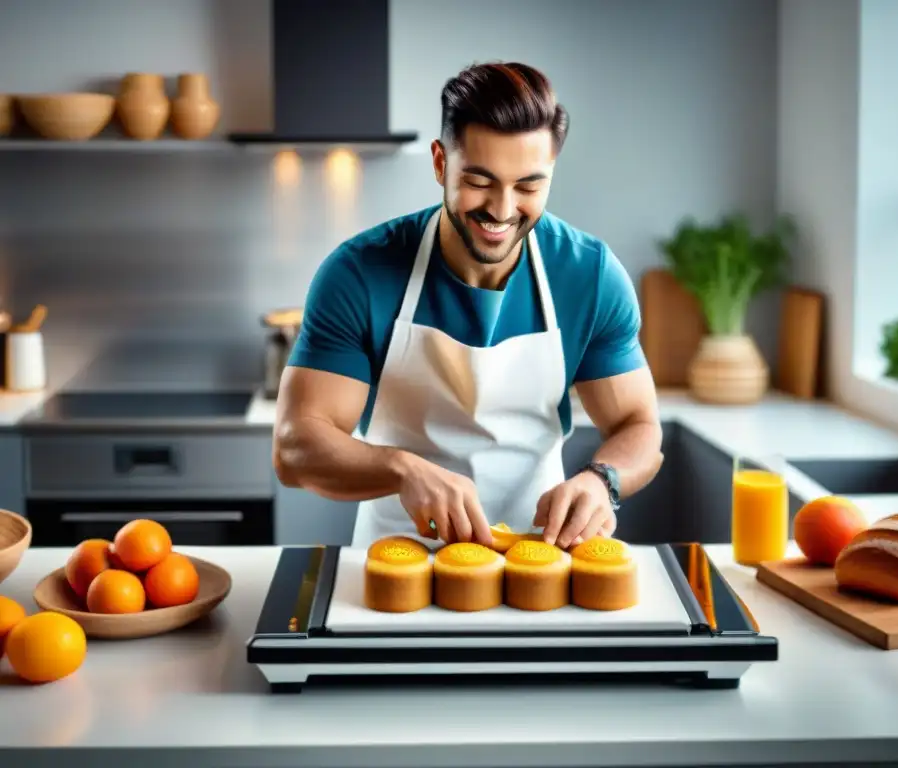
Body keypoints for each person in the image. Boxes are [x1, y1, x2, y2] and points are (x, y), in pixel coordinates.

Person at [273, 61, 663, 551]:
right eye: (480, 181)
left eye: (527, 186)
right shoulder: (359, 273)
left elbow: (640, 427)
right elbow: (295, 446)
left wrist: (601, 480)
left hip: (537, 556)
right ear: (441, 163)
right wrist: (402, 468)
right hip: (400, 559)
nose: (502, 209)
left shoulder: (590, 276)